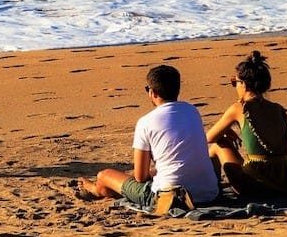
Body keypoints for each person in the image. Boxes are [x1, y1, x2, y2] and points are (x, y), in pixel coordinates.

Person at [77, 65, 219, 207]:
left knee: (104, 175)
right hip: (209, 193)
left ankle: (94, 189)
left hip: (169, 197)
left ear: (153, 92)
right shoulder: (192, 111)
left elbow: (140, 177)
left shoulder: (146, 122)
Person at [207, 51, 287, 196]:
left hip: (256, 185)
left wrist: (224, 132)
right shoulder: (278, 109)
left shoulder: (239, 108)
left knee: (218, 145)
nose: (235, 87)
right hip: (286, 181)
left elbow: (209, 137)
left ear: (243, 84)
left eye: (234, 82)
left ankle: (214, 188)